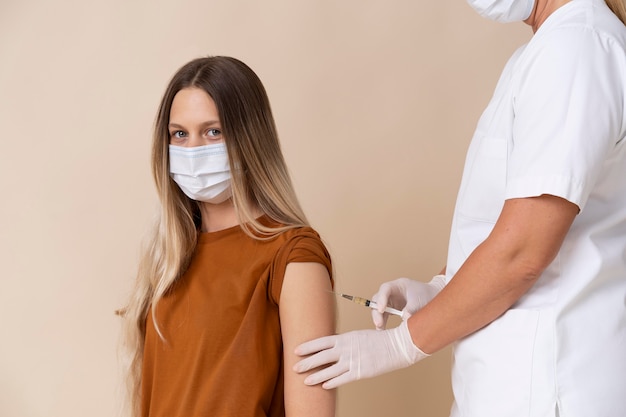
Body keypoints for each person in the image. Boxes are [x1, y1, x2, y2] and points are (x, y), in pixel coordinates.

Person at [293, 0, 626, 416]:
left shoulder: (576, 48)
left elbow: (523, 251)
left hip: (549, 388)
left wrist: (403, 343)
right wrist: (440, 288)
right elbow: (502, 228)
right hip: (510, 387)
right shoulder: (540, 53)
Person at [118, 56, 336, 417]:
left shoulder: (294, 256)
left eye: (213, 131)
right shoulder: (168, 257)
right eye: (180, 134)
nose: (193, 150)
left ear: (249, 137)